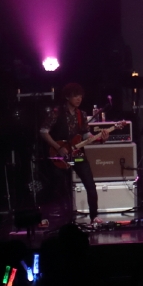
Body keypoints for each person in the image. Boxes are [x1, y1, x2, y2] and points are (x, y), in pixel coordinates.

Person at [39, 82, 108, 225]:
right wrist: (58, 147)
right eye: (75, 96)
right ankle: (44, 216)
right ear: (67, 97)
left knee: (90, 185)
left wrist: (99, 138)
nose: (79, 99)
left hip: (77, 155)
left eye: (80, 96)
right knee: (56, 186)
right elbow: (43, 131)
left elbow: (85, 134)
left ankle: (94, 216)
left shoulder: (82, 114)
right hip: (60, 155)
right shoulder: (56, 112)